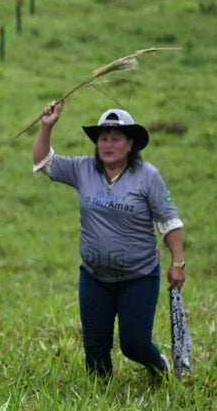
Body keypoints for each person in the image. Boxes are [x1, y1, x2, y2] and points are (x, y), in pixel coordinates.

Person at [32, 101, 185, 379]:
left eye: (116, 138)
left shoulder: (147, 176)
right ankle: (101, 403)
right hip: (94, 276)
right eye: (103, 138)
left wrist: (178, 263)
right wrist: (47, 126)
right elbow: (44, 162)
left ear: (130, 144)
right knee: (95, 351)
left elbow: (169, 222)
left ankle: (160, 367)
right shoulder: (83, 169)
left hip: (138, 276)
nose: (108, 144)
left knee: (134, 345)